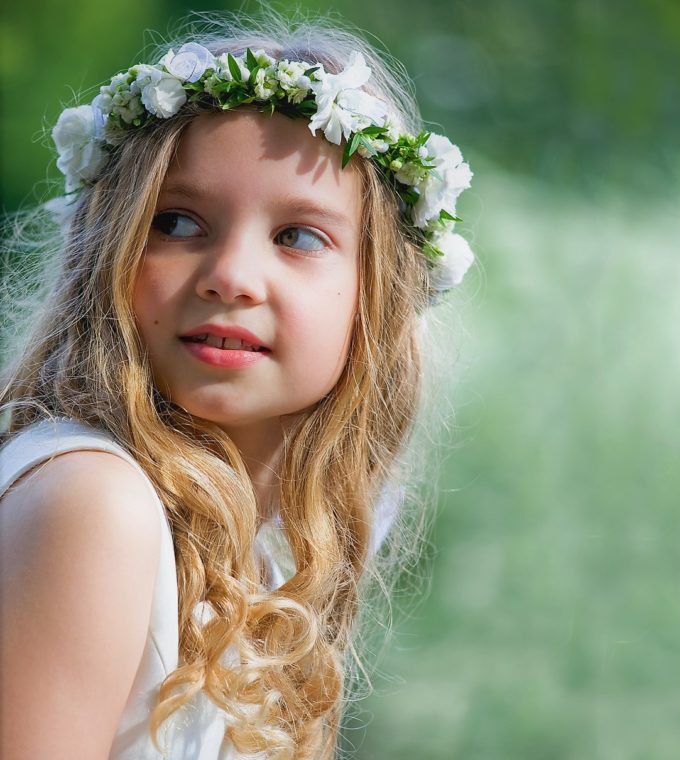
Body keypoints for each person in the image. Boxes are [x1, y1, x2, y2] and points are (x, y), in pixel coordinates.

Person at [0, 9, 474, 759]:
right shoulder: (91, 504)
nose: (229, 277)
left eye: (298, 237)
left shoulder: (232, 555)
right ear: (109, 253)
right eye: (179, 223)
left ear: (376, 297)